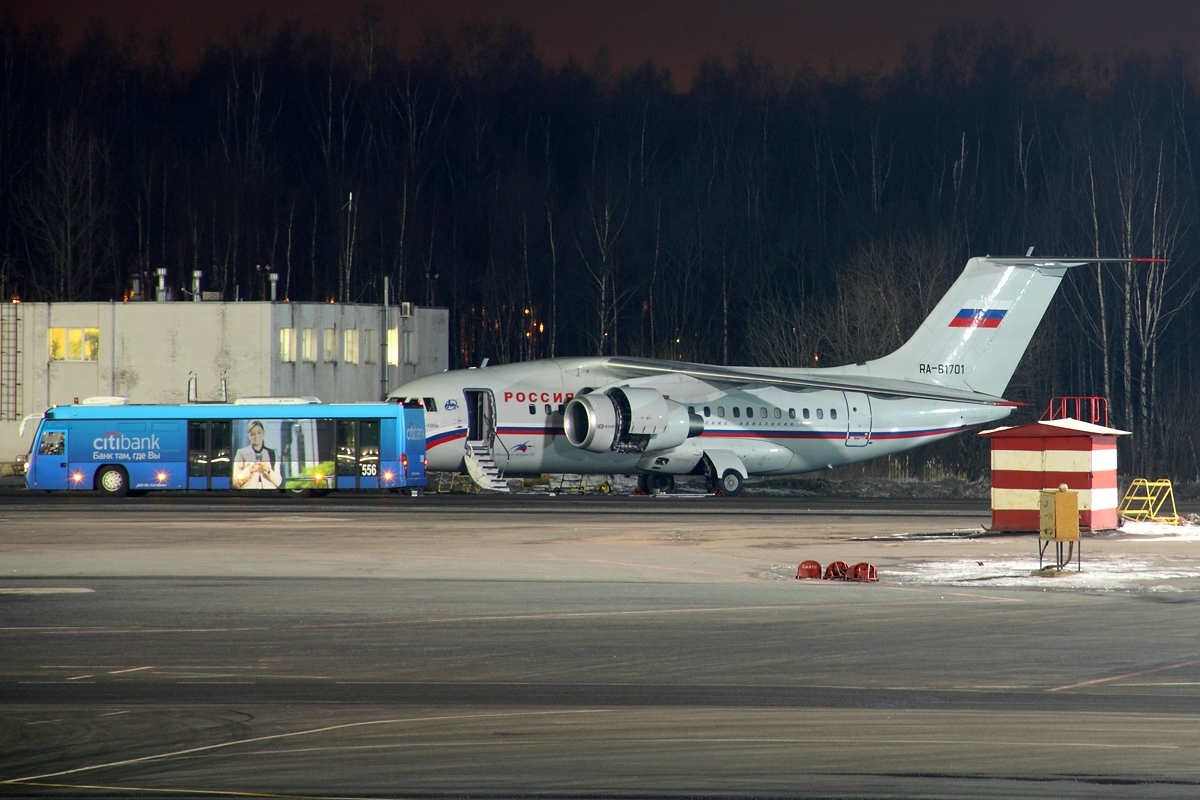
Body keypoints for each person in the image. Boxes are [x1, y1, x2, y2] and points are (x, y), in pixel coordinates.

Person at [232, 420, 282, 489]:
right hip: (249, 494)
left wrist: (268, 470)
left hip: (269, 495)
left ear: (263, 433)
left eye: (259, 433)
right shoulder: (241, 452)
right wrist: (250, 470)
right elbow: (235, 481)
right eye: (252, 434)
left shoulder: (272, 453)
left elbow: (278, 482)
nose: (256, 436)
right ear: (248, 435)